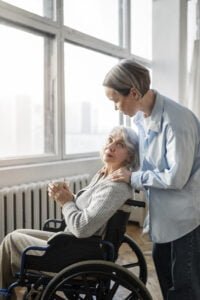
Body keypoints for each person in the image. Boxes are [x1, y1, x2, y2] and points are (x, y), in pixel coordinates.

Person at [0, 125, 139, 298]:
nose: (111, 146)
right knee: (16, 234)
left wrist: (65, 202)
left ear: (130, 156)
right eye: (110, 140)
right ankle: (5, 292)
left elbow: (82, 228)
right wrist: (67, 195)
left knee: (12, 240)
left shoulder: (115, 186)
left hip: (80, 251)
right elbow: (90, 210)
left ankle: (5, 292)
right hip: (75, 243)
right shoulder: (104, 175)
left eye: (120, 145)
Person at [103, 58, 200, 300]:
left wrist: (133, 177)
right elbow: (144, 160)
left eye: (116, 100)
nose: (116, 108)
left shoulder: (177, 121)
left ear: (134, 93)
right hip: (162, 215)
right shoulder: (140, 118)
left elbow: (176, 177)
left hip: (186, 217)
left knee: (184, 286)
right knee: (166, 278)